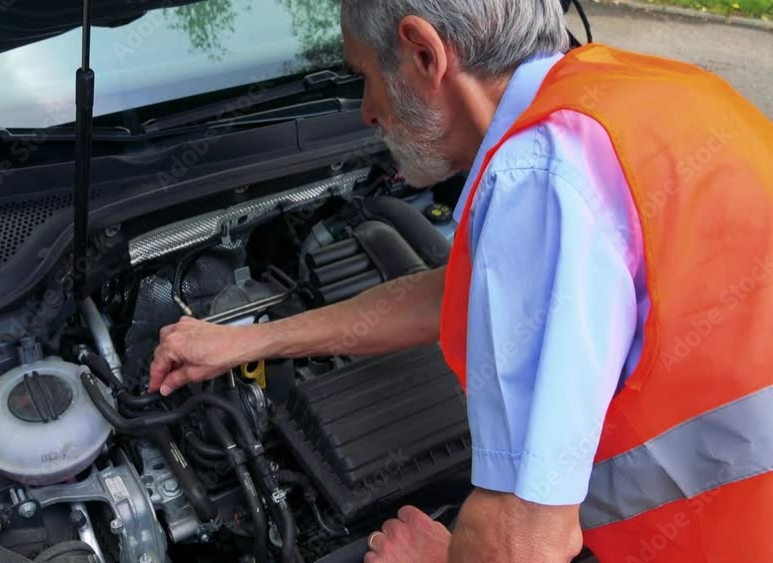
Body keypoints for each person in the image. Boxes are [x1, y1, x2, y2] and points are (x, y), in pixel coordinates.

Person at [149, 1, 773, 561]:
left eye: (364, 75)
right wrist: (245, 341)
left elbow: (524, 543)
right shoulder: (649, 90)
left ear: (424, 54)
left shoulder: (540, 175)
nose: (366, 110)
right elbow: (461, 294)